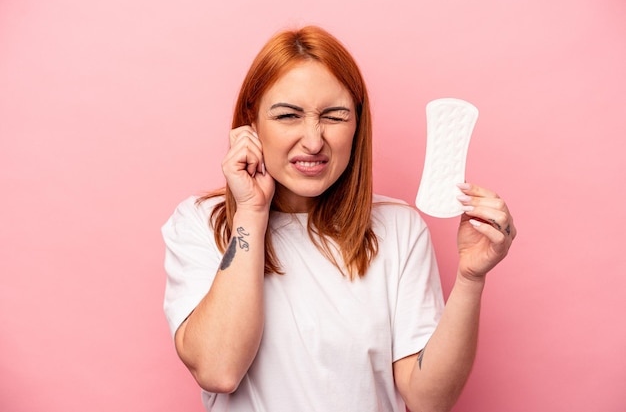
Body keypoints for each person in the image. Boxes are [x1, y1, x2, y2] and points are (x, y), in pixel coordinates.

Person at [162, 25, 516, 412]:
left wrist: (470, 277)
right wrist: (250, 211)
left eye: (334, 116)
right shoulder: (199, 222)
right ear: (251, 121)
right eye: (287, 115)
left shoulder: (399, 228)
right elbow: (218, 370)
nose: (314, 141)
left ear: (357, 124)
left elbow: (429, 400)